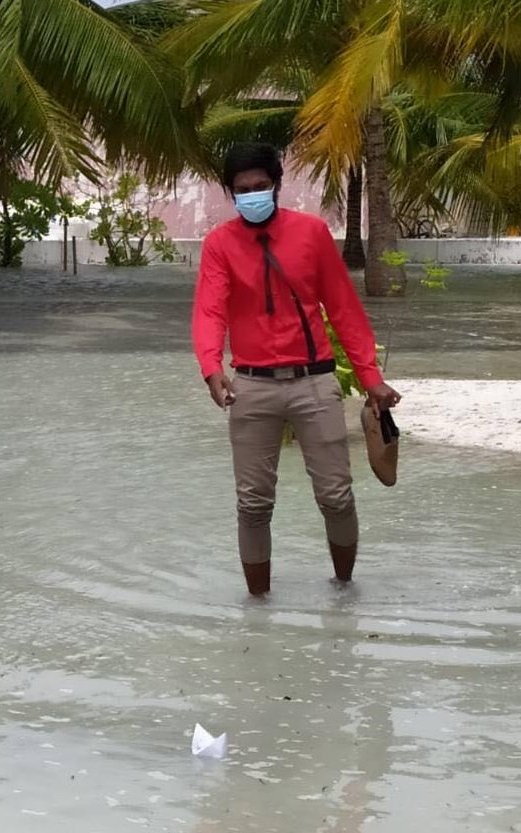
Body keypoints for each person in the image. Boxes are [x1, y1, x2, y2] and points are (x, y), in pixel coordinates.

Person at [192, 142, 400, 596]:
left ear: (277, 185)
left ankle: (345, 594)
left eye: (261, 186)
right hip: (251, 386)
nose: (253, 194)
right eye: (243, 189)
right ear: (231, 193)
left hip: (315, 382)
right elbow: (210, 311)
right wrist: (211, 368)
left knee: (336, 495)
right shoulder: (219, 245)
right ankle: (257, 611)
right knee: (252, 504)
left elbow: (343, 308)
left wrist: (371, 378)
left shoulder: (311, 233)